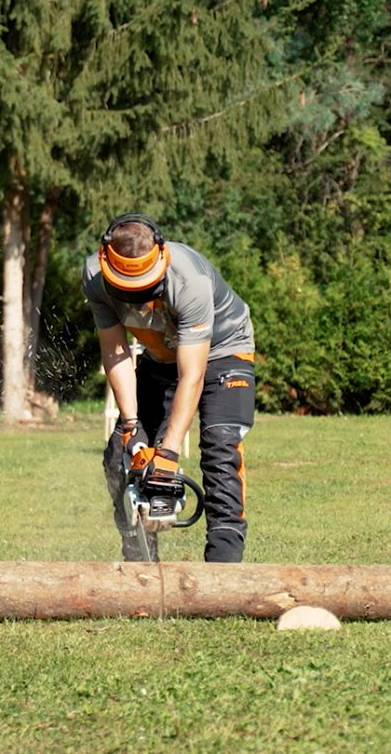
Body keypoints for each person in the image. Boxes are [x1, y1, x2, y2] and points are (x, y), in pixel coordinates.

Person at [82, 213, 256, 562]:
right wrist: (132, 427)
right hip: (161, 356)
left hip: (223, 353)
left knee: (219, 448)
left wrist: (169, 454)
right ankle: (140, 563)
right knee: (120, 454)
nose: (139, 300)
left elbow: (192, 375)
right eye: (128, 292)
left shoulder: (188, 279)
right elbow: (115, 352)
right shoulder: (94, 277)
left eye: (147, 289)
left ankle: (224, 569)